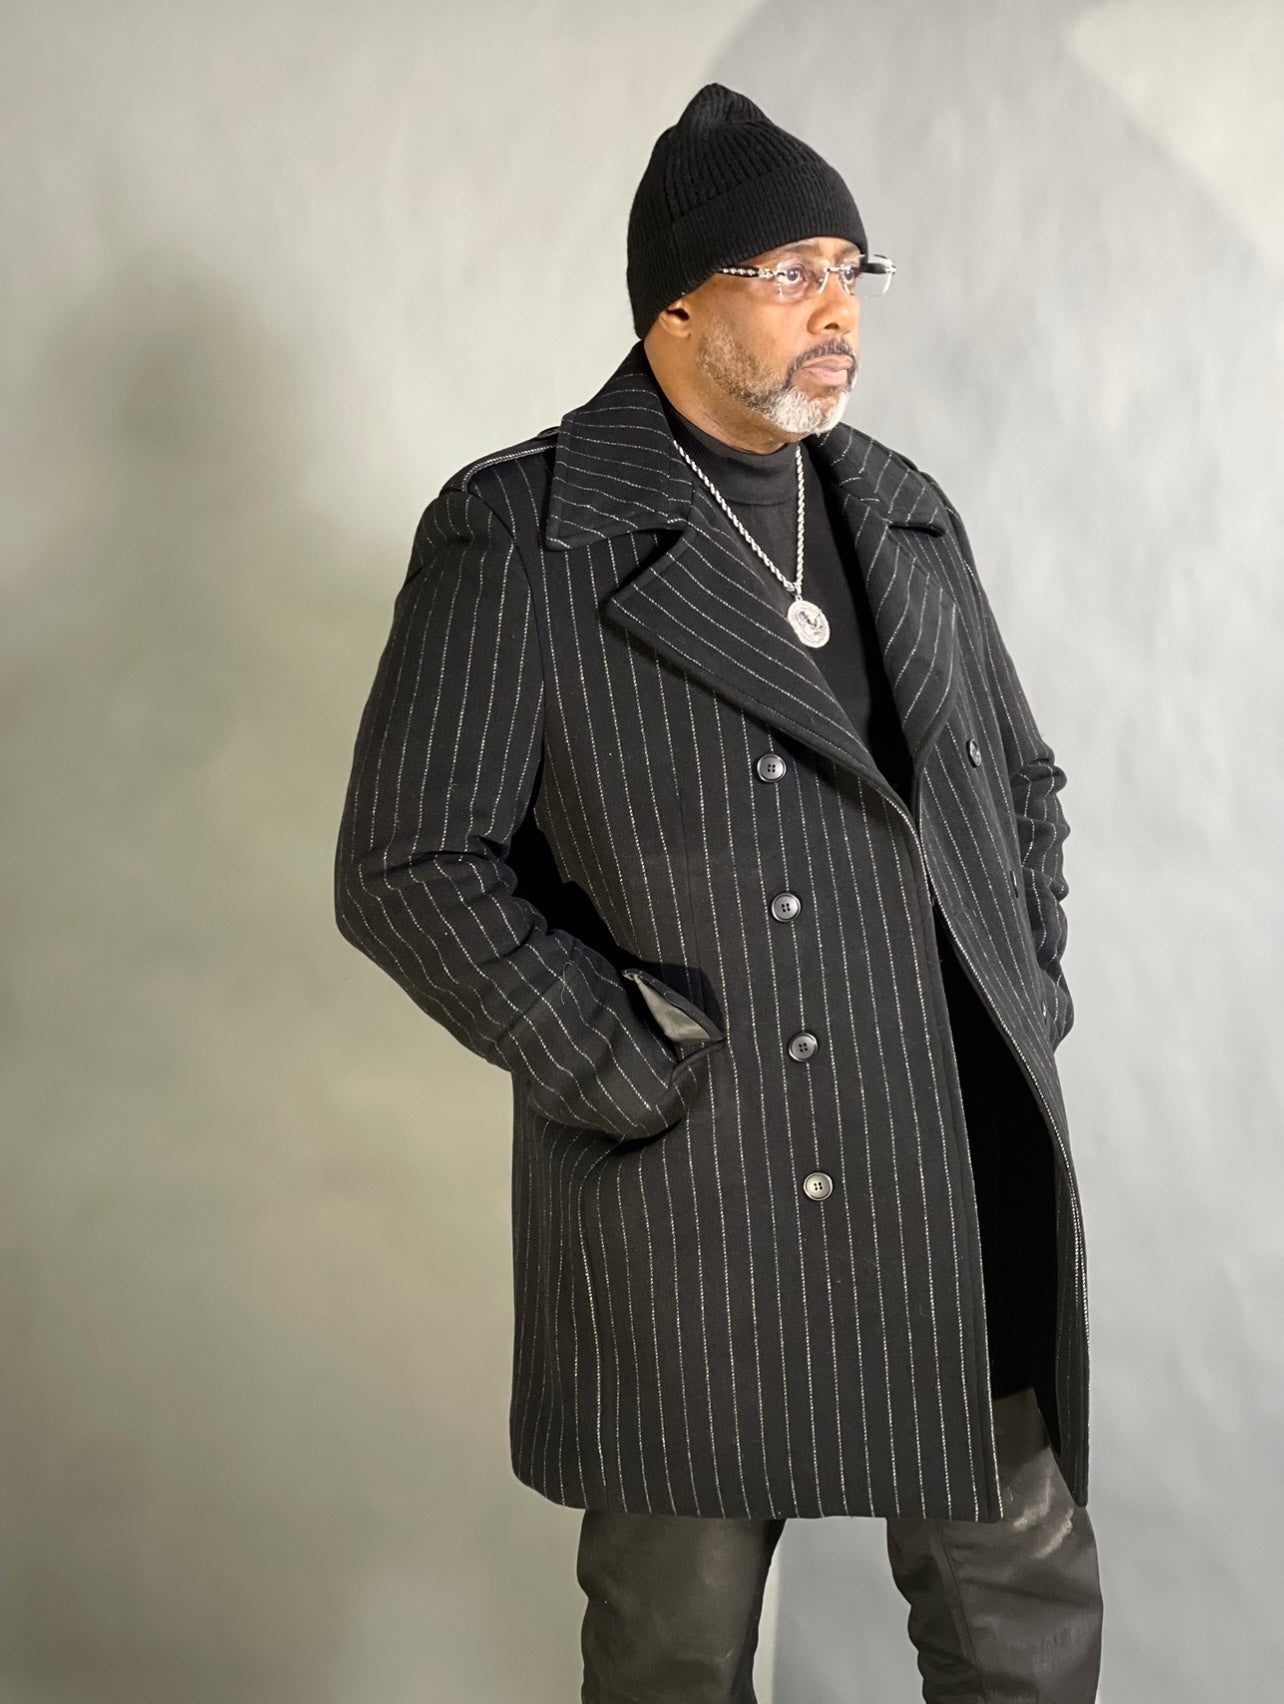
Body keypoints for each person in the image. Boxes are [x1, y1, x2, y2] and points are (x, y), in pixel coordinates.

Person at [334, 81, 1103, 1704]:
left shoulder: (902, 509)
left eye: (849, 270)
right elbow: (407, 864)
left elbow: (1020, 784)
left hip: (950, 1166)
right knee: (672, 1656)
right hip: (703, 1193)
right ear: (676, 305)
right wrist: (629, 1067)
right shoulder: (523, 533)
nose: (838, 309)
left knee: (1022, 1639)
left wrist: (1021, 995)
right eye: (790, 272)